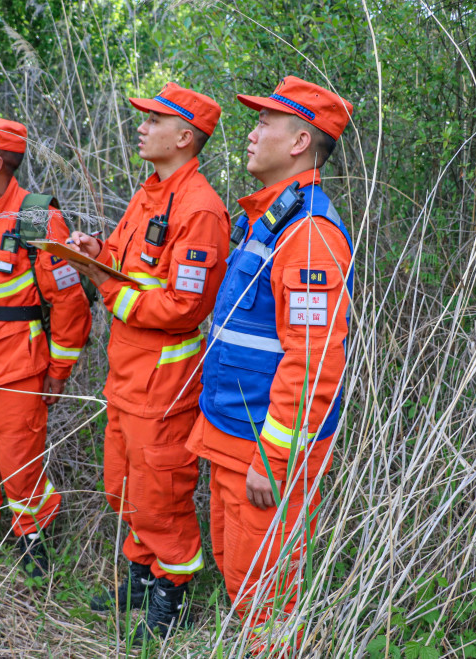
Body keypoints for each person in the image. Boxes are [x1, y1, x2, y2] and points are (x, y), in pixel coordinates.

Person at [186, 76, 354, 652]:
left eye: (264, 124)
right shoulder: (267, 219)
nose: (251, 134)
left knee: (266, 600)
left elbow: (315, 358)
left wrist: (274, 457)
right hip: (233, 433)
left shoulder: (308, 235)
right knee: (241, 580)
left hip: (264, 449)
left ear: (301, 140)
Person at [67, 83, 230, 641]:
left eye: (154, 119)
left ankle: (172, 592)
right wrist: (95, 256)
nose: (141, 126)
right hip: (127, 373)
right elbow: (123, 259)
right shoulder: (152, 192)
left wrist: (109, 292)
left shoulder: (200, 209)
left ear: (184, 136)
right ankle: (141, 572)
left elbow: (185, 306)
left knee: (160, 490)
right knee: (124, 482)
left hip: (165, 380)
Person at [0, 117, 91, 583]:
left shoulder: (36, 218)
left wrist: (59, 369)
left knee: (20, 463)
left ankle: (34, 538)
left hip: (18, 367)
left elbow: (69, 301)